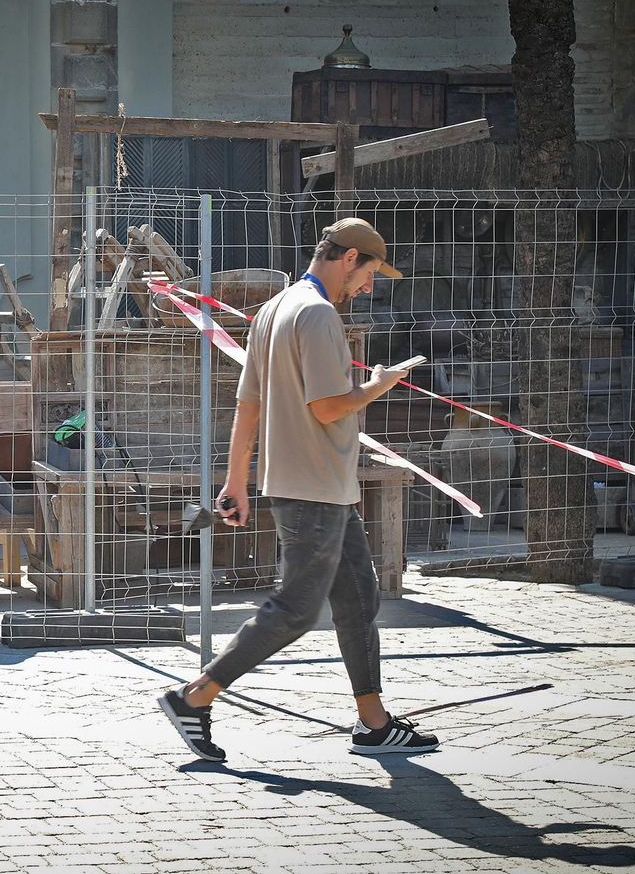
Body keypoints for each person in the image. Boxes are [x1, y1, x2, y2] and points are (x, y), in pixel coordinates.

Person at [158, 218, 439, 760]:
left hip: (320, 486)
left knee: (358, 597)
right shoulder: (316, 315)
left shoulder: (275, 308)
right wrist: (382, 383)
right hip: (313, 487)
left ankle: (374, 724)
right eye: (371, 274)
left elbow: (248, 404)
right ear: (351, 257)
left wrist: (237, 479)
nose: (369, 288)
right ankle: (195, 697)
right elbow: (329, 405)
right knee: (296, 609)